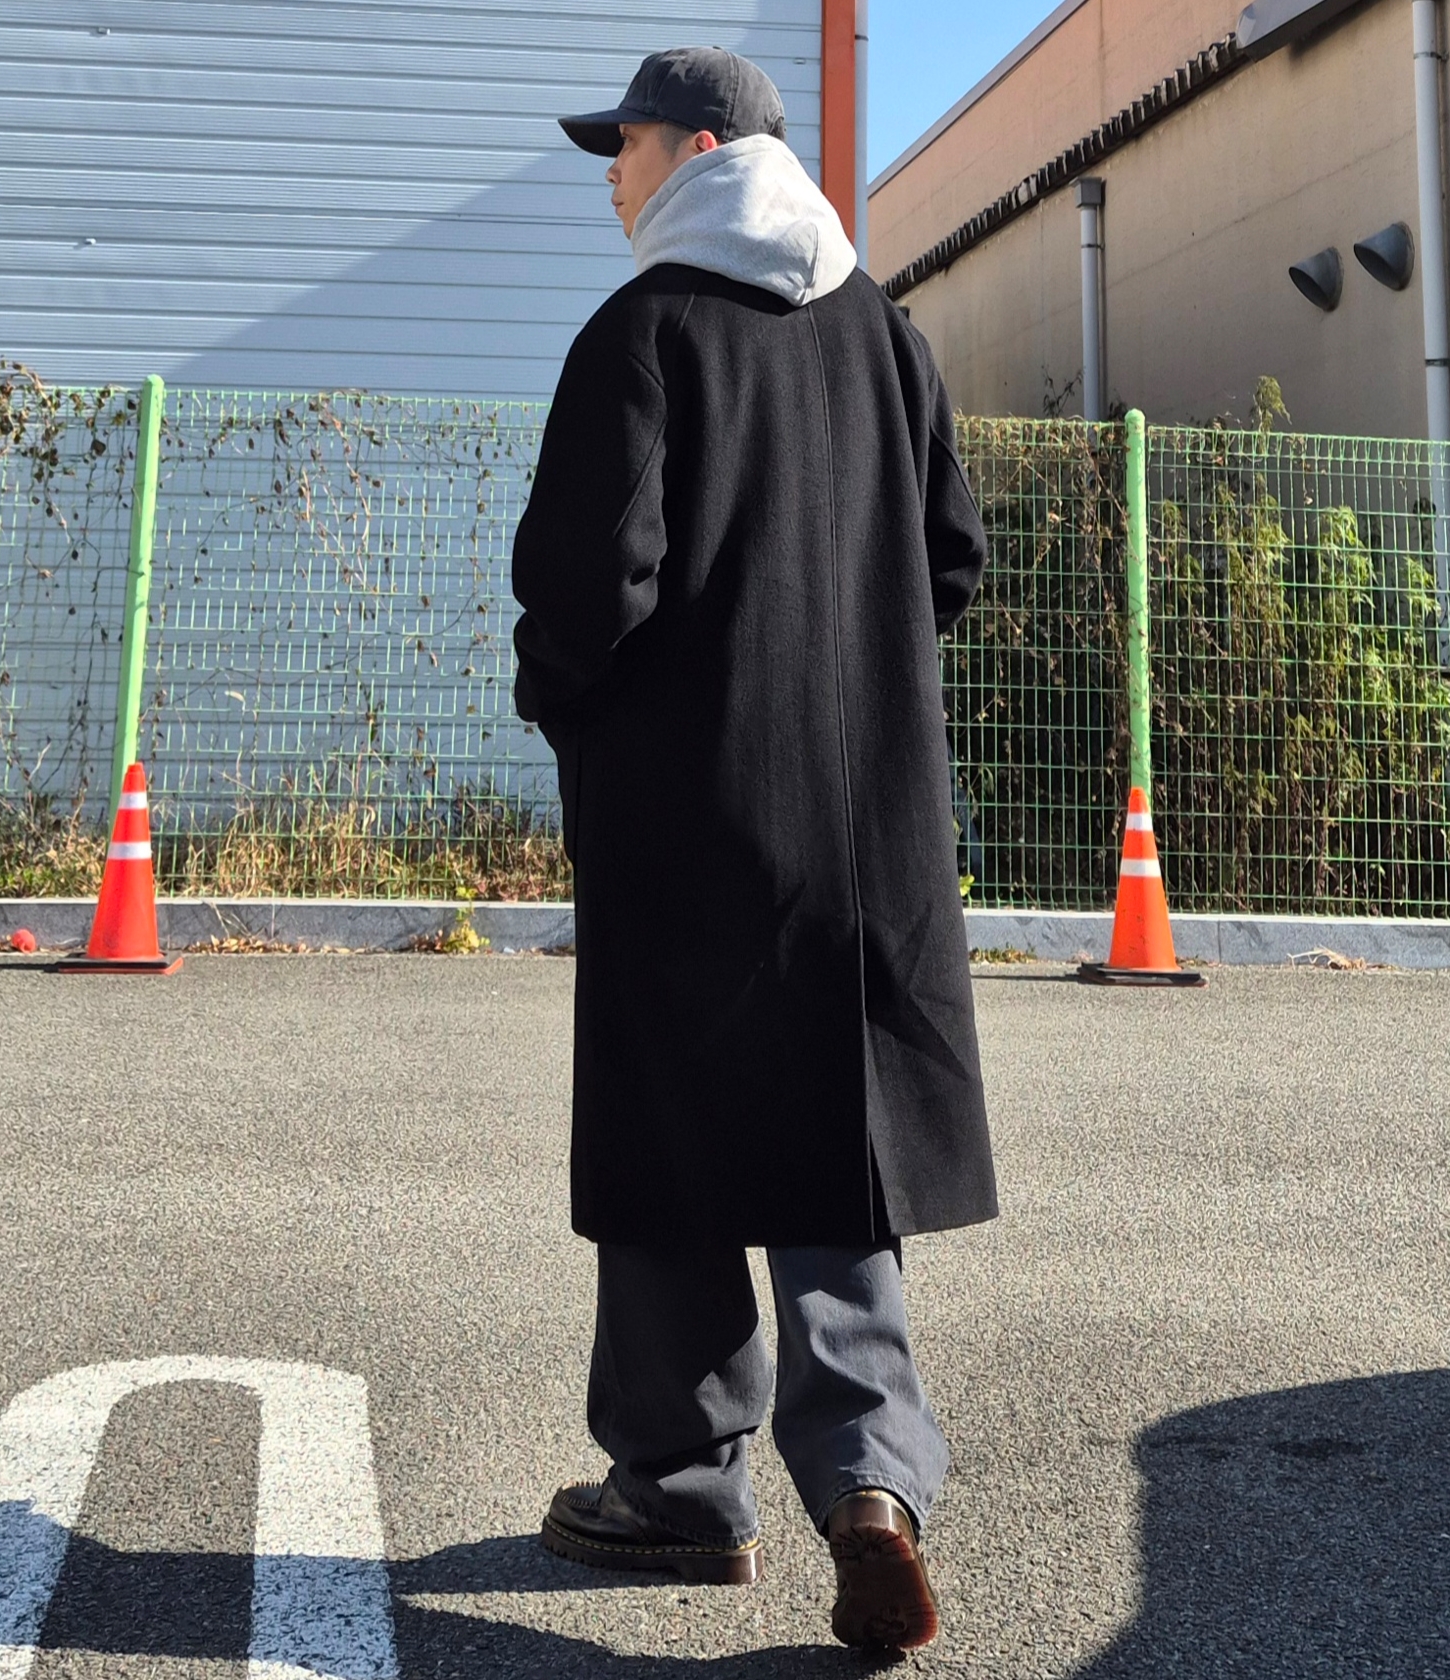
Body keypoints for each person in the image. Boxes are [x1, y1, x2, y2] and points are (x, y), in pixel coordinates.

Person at [511, 45, 998, 1656]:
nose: (612, 172)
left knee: (668, 1141)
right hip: (867, 824)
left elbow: (590, 586)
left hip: (681, 808)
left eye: (628, 144)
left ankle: (678, 1489)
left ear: (703, 148)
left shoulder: (644, 329)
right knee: (834, 1134)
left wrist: (567, 706)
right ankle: (869, 1484)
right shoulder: (884, 331)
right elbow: (954, 556)